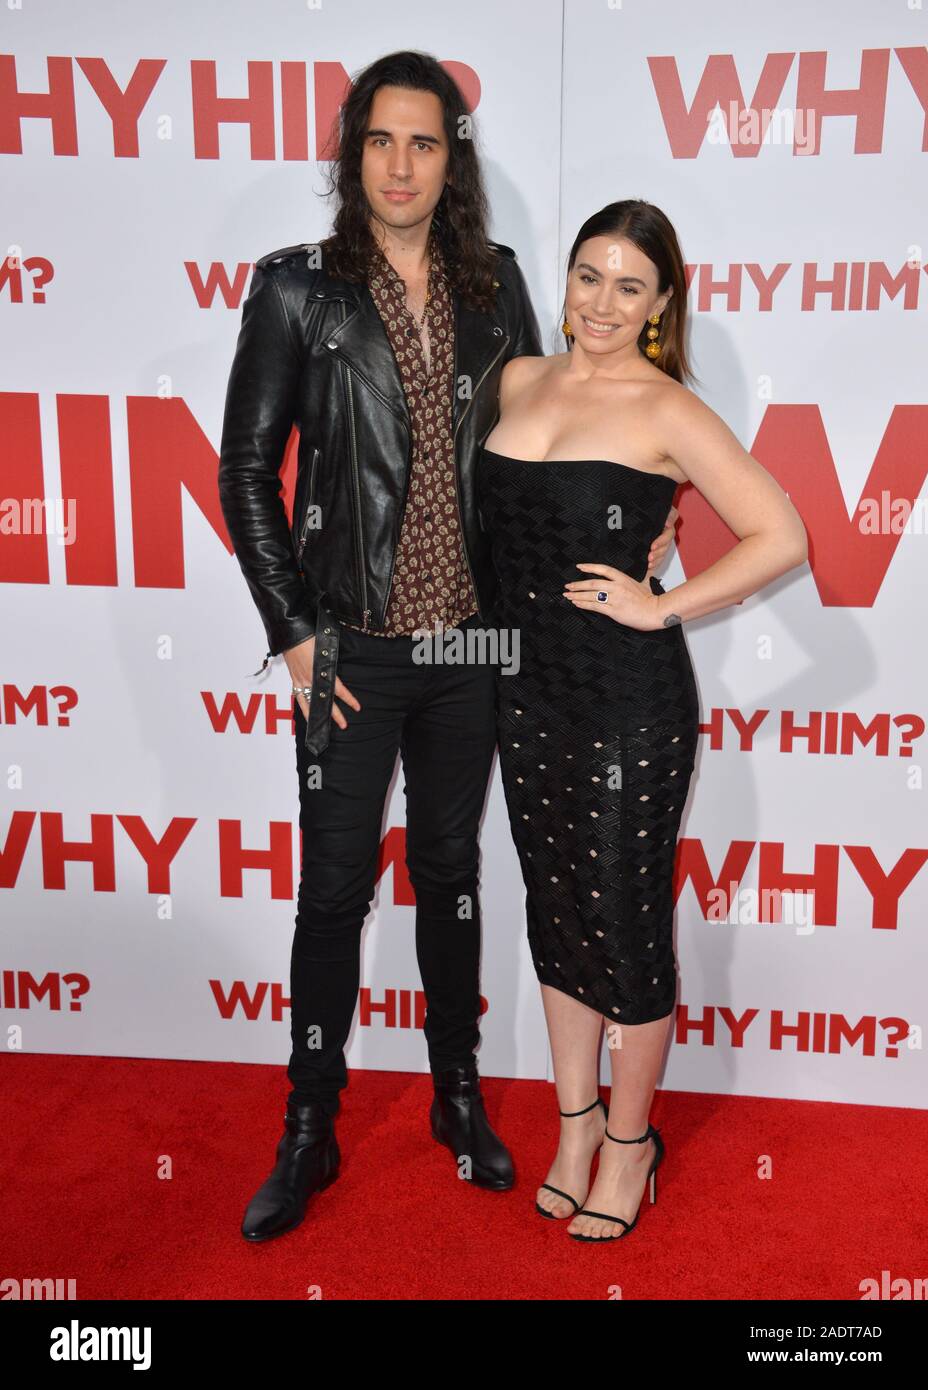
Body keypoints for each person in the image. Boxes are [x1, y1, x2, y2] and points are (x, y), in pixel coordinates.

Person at [217, 58, 677, 1242]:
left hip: (476, 645)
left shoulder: (498, 285)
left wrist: (642, 506)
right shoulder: (296, 291)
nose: (402, 165)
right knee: (331, 890)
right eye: (380, 142)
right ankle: (308, 1127)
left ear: (451, 157)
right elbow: (244, 470)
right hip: (353, 649)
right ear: (352, 153)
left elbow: (553, 423)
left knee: (455, 878)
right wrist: (296, 633)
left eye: (424, 144)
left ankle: (458, 1098)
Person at [479, 199, 809, 1242]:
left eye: (629, 286)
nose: (602, 303)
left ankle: (630, 1143)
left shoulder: (666, 409)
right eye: (587, 276)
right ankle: (572, 1126)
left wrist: (659, 600)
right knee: (554, 912)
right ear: (563, 280)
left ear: (662, 302)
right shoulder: (519, 378)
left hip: (626, 703)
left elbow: (779, 533)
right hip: (521, 693)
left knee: (621, 926)